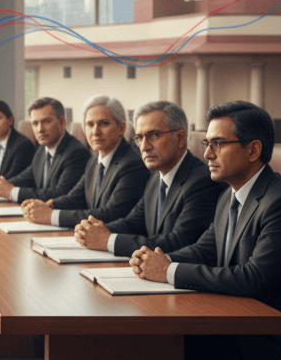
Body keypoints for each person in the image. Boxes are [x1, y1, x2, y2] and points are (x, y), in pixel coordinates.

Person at [130, 100, 281, 360]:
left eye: (218, 144)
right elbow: (206, 248)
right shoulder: (230, 193)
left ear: (253, 150)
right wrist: (155, 261)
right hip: (243, 325)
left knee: (161, 357)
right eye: (206, 143)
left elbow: (253, 278)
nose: (206, 154)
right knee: (151, 348)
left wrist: (167, 271)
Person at [75, 100, 223, 256]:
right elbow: (134, 223)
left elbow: (179, 241)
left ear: (180, 138)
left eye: (153, 135)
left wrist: (107, 240)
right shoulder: (155, 176)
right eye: (139, 137)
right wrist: (96, 230)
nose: (144, 147)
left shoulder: (202, 182)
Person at [19, 94, 147, 227]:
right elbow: (75, 198)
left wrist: (51, 216)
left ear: (121, 128)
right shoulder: (94, 160)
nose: (95, 132)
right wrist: (48, 205)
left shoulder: (132, 164)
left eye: (104, 123)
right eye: (90, 124)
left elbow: (111, 213)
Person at [0, 96, 89, 203]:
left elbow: (61, 193)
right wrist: (1, 183)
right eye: (35, 123)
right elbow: (26, 178)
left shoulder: (76, 153)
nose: (40, 129)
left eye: (46, 121)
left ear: (62, 122)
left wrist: (12, 192)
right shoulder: (42, 149)